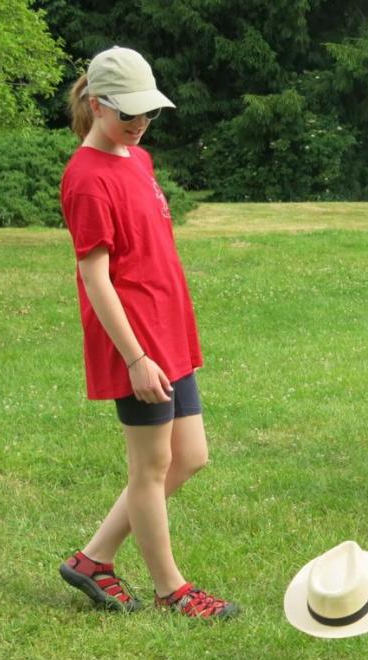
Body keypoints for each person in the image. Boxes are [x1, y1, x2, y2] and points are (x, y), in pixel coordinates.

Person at [57, 46, 238, 618]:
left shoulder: (139, 160)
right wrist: (135, 357)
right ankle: (172, 591)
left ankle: (92, 559)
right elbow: (95, 278)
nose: (138, 124)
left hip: (168, 332)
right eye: (127, 113)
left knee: (190, 457)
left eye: (147, 113)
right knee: (151, 466)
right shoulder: (85, 179)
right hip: (133, 342)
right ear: (96, 103)